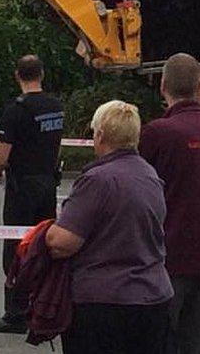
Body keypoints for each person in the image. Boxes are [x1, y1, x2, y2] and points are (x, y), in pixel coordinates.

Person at [46, 100, 174, 354]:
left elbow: (61, 243)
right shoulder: (150, 176)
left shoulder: (97, 180)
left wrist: (47, 231)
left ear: (101, 135)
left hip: (104, 303)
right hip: (153, 297)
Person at [139, 53, 200, 354]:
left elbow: (136, 185)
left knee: (158, 340)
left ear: (163, 85)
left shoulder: (157, 133)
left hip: (165, 254)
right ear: (199, 86)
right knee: (196, 343)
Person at [0, 55, 65, 334]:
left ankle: (14, 313)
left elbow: (2, 157)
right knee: (43, 245)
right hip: (47, 184)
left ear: (18, 75)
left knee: (16, 247)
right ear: (41, 74)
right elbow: (58, 146)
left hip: (23, 188)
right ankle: (40, 307)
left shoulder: (16, 110)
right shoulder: (55, 107)